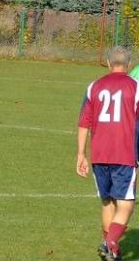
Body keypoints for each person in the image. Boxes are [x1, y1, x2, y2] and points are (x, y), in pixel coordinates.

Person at [76, 46, 139, 261]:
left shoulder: (94, 86)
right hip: (124, 154)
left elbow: (84, 122)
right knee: (126, 205)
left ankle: (111, 252)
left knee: (107, 203)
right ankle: (110, 242)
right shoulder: (136, 87)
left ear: (108, 63)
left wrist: (80, 154)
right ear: (129, 65)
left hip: (99, 154)